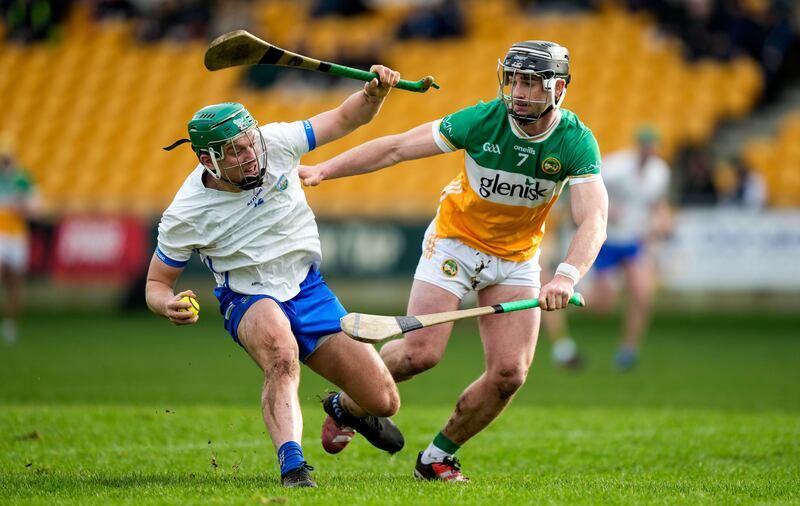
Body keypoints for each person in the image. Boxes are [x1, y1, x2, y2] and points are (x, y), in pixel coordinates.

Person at [300, 41, 608, 481]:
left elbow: (594, 219)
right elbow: (397, 148)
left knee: (509, 374)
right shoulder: (483, 120)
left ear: (558, 88)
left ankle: (436, 457)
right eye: (514, 80)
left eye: (531, 83)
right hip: (455, 245)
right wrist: (324, 170)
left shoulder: (575, 141)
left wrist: (566, 276)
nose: (518, 92)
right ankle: (346, 406)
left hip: (516, 259)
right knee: (419, 355)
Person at [145, 65, 406, 489]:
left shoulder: (277, 142)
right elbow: (156, 285)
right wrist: (166, 304)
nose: (249, 154)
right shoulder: (185, 213)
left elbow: (345, 117)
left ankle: (343, 410)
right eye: (233, 151)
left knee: (384, 400)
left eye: (249, 143)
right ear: (206, 159)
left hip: (308, 288)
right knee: (282, 356)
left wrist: (374, 95)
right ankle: (294, 467)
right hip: (248, 295)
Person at [589, 127, 671, 370]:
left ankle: (628, 349)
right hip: (606, 240)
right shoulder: (615, 167)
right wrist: (605, 210)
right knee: (601, 307)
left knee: (642, 295)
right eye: (645, 145)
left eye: (653, 146)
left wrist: (661, 220)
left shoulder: (660, 172)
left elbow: (657, 202)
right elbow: (589, 187)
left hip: (633, 240)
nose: (649, 150)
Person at [0, 137, 37, 344]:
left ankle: (10, 324)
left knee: (15, 281)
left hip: (17, 236)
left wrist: (21, 207)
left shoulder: (22, 179)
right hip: (1, 235)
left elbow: (36, 207)